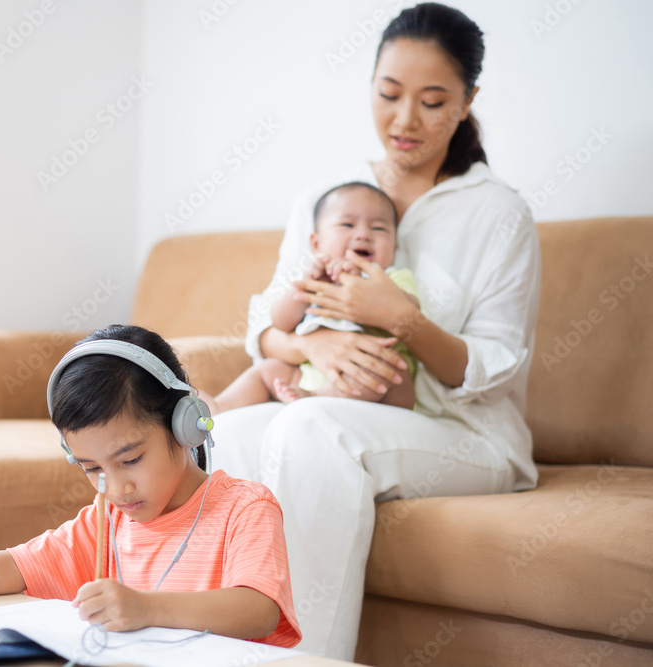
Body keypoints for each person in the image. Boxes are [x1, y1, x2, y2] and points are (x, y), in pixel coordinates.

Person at [211, 3, 541, 660]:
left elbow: (493, 366)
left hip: (466, 435)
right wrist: (309, 344)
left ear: (470, 100)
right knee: (224, 436)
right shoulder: (330, 197)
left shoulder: (499, 214)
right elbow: (265, 325)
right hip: (334, 397)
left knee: (312, 428)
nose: (405, 120)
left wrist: (403, 319)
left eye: (433, 100)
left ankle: (308, 657)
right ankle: (224, 646)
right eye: (389, 94)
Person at [0, 324, 302, 649]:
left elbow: (259, 610)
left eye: (130, 460)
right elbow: (14, 566)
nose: (117, 489)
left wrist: (146, 608)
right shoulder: (106, 521)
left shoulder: (245, 507)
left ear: (184, 425)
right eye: (91, 468)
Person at [204, 181, 419, 414]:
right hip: (309, 372)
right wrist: (305, 290)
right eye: (347, 224)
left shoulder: (391, 278)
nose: (363, 235)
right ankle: (220, 407)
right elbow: (280, 321)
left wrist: (363, 286)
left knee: (389, 368)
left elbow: (412, 312)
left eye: (378, 228)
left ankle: (315, 397)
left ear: (394, 246)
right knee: (268, 369)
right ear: (316, 243)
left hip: (375, 384)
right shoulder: (315, 278)